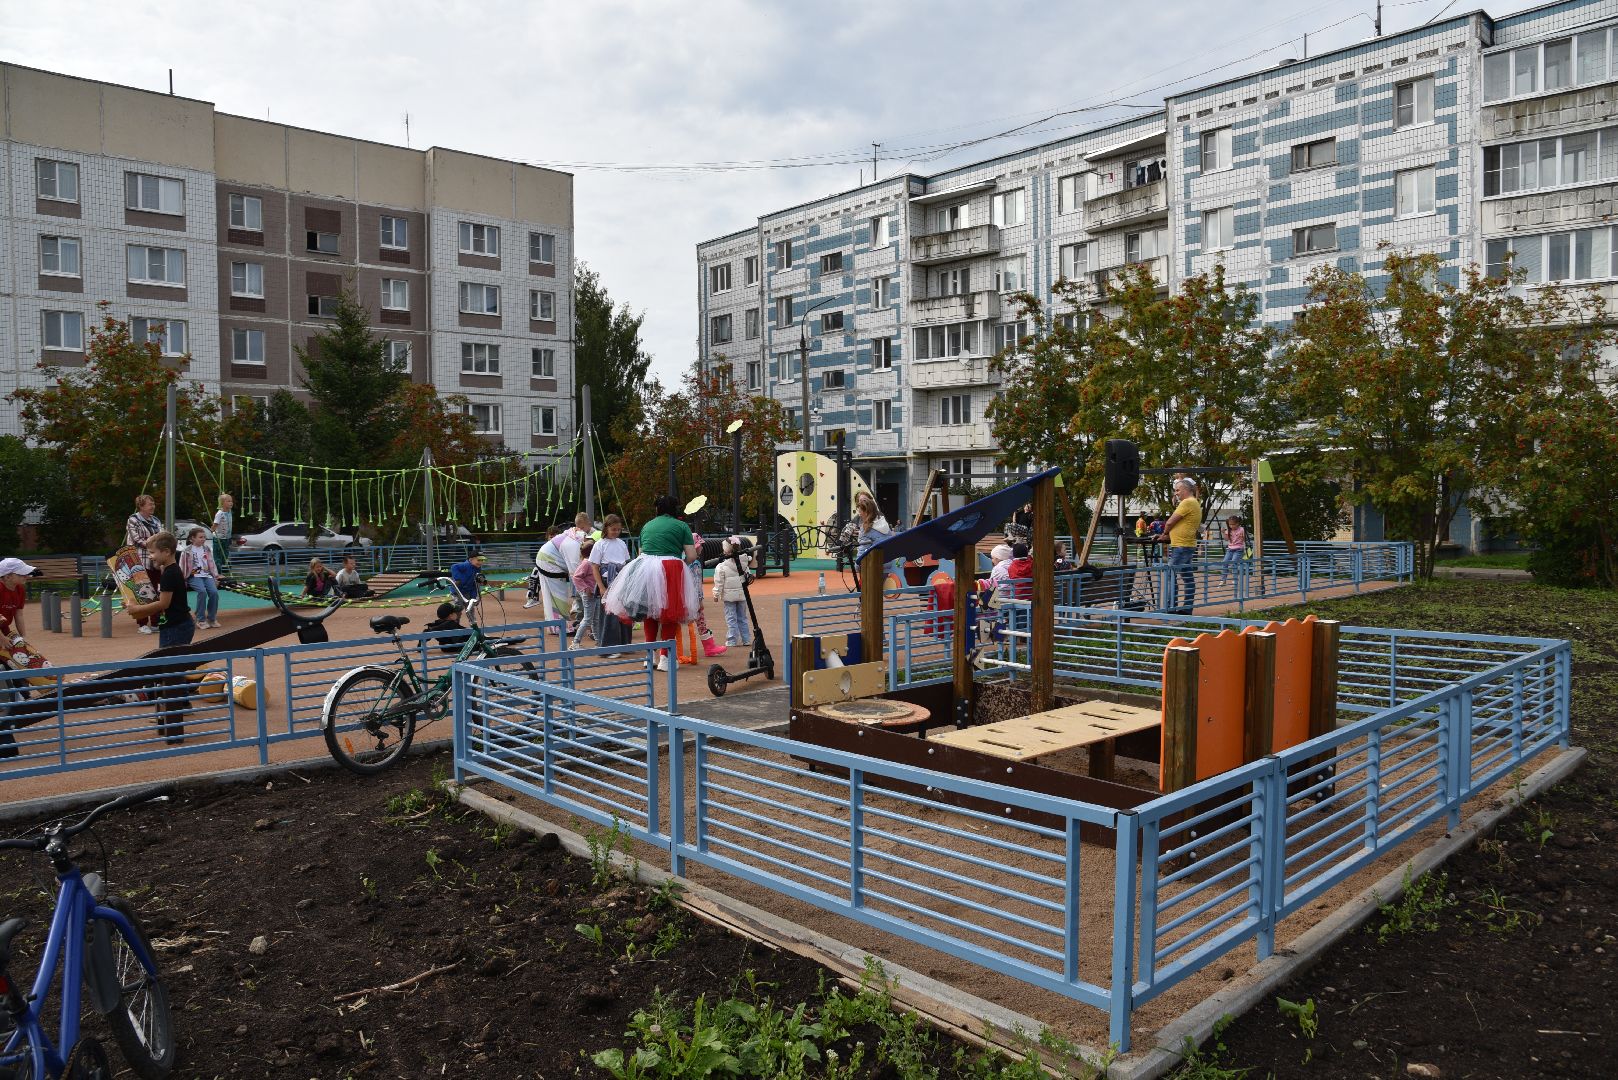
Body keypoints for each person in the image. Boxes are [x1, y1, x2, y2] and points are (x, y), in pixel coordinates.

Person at [603, 494, 698, 671]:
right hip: (670, 566)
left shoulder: (647, 525)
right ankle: (665, 658)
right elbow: (692, 555)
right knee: (670, 613)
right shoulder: (682, 526)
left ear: (657, 509)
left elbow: (641, 552)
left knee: (648, 611)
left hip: (645, 566)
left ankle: (649, 657)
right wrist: (681, 564)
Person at [123, 531, 193, 743]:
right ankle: (181, 703)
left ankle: (174, 710)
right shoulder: (168, 570)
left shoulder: (170, 573)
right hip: (176, 625)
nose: (151, 556)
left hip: (176, 627)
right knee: (172, 667)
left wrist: (137, 610)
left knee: (168, 669)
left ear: (166, 552)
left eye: (153, 553)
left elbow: (163, 604)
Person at [124, 494, 164, 635]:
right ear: (141, 506)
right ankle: (142, 624)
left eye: (153, 503)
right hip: (139, 562)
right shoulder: (133, 520)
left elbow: (162, 537)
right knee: (142, 592)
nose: (153, 506)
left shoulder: (156, 520)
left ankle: (155, 622)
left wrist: (159, 547)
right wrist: (154, 545)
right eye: (149, 504)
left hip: (156, 561)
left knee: (156, 591)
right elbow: (136, 539)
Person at [589, 515, 631, 646]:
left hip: (621, 579)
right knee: (609, 614)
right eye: (613, 529)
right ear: (606, 528)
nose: (616, 532)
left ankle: (624, 643)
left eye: (618, 529)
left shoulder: (622, 543)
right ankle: (608, 645)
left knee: (623, 611)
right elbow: (594, 567)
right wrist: (601, 587)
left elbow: (626, 563)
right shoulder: (599, 544)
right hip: (607, 580)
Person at [1162, 476, 1203, 613]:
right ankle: (1186, 608)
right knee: (1187, 578)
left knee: (1170, 574)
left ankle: (1170, 608)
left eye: (1177, 490)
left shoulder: (1187, 503)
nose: (1176, 493)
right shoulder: (1194, 502)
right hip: (1186, 544)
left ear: (1186, 489)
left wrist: (1164, 534)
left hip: (1181, 545)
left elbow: (1170, 522)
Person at [525, 526, 572, 627]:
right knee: (535, 575)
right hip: (550, 571)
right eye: (551, 537)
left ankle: (558, 619)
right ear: (547, 537)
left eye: (555, 536)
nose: (553, 538)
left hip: (561, 571)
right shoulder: (547, 547)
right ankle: (532, 596)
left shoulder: (562, 546)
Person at [712, 538, 754, 647]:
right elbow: (747, 577)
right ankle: (746, 639)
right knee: (742, 617)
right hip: (742, 594)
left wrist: (716, 594)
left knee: (731, 618)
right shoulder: (744, 563)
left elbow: (719, 582)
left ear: (726, 551)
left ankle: (732, 640)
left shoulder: (721, 566)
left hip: (729, 596)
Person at [181, 526, 221, 629]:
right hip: (194, 576)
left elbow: (211, 563)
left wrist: (215, 576)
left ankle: (211, 619)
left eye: (204, 537)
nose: (203, 539)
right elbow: (182, 566)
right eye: (200, 537)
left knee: (214, 593)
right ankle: (201, 619)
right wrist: (183, 579)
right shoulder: (186, 551)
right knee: (202, 592)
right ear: (192, 538)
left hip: (206, 575)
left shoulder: (206, 549)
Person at [570, 539, 601, 650]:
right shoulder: (587, 563)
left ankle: (598, 642)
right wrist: (585, 588)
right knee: (588, 619)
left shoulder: (593, 562)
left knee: (595, 619)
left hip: (595, 594)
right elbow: (576, 577)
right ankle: (575, 642)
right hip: (589, 595)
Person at [0, 557, 34, 638]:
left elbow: (19, 614)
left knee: (20, 645)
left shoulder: (20, 589)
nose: (26, 576)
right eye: (21, 574)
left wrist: (23, 637)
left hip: (3, 627)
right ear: (7, 577)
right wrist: (3, 639)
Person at [211, 493, 234, 571]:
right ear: (222, 503)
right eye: (228, 501)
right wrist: (212, 530)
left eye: (231, 501)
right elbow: (215, 524)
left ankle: (223, 569)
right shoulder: (219, 513)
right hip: (219, 539)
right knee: (218, 556)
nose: (231, 503)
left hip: (227, 538)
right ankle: (218, 572)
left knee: (225, 555)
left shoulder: (229, 511)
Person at [1222, 517, 1248, 582]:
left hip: (1238, 549)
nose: (1231, 526)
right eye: (1230, 524)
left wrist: (1243, 537)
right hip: (1230, 549)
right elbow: (1226, 539)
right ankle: (1223, 579)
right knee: (1224, 562)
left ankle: (1235, 579)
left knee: (1234, 562)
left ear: (1237, 523)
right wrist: (1223, 533)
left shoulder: (1241, 529)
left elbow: (1245, 539)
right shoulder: (1229, 530)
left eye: (1233, 524)